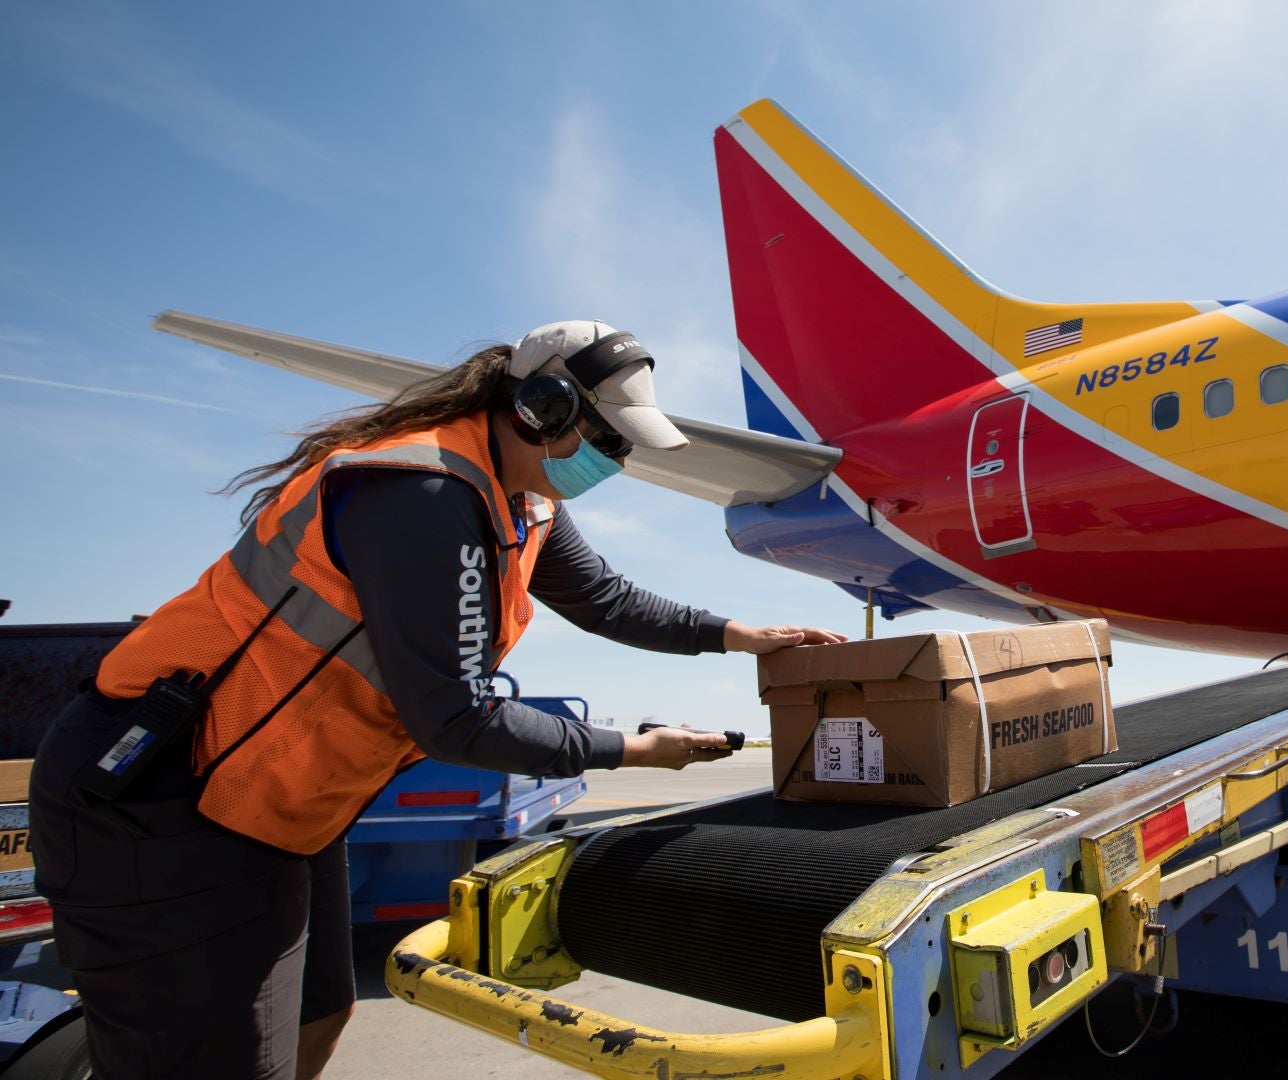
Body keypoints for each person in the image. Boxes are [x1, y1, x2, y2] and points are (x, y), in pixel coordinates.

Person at [28, 320, 846, 1079]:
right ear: (538, 408)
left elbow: (607, 599)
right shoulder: (424, 494)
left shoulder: (525, 497)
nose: (615, 462)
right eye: (604, 439)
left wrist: (743, 634)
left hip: (275, 801)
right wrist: (634, 749)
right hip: (165, 796)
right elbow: (458, 717)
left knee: (319, 1015)